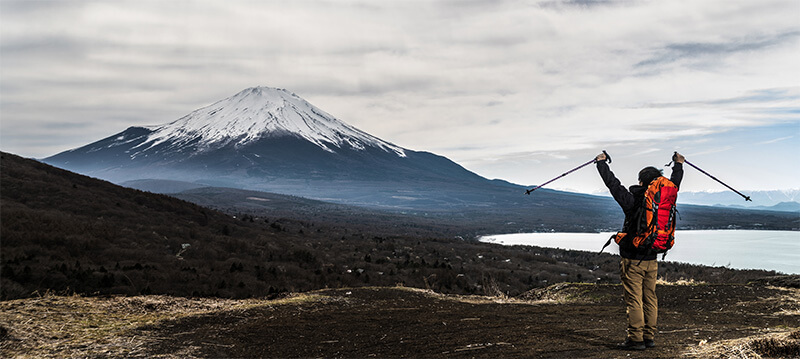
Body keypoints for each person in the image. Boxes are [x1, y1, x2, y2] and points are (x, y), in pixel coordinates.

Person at [595, 151, 684, 350]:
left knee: (634, 299)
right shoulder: (664, 201)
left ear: (642, 182)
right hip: (652, 258)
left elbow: (613, 185)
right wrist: (678, 165)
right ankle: (649, 337)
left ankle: (635, 339)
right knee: (650, 297)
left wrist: (601, 163)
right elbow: (675, 184)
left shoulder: (632, 200)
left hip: (632, 260)